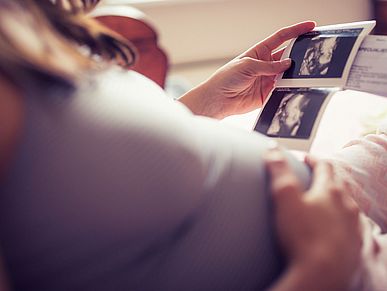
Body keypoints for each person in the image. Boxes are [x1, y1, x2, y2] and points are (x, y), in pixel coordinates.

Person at [0, 1, 386, 290]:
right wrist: (321, 270)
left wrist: (201, 104)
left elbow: (90, 161)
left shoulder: (26, 30)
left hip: (324, 218)